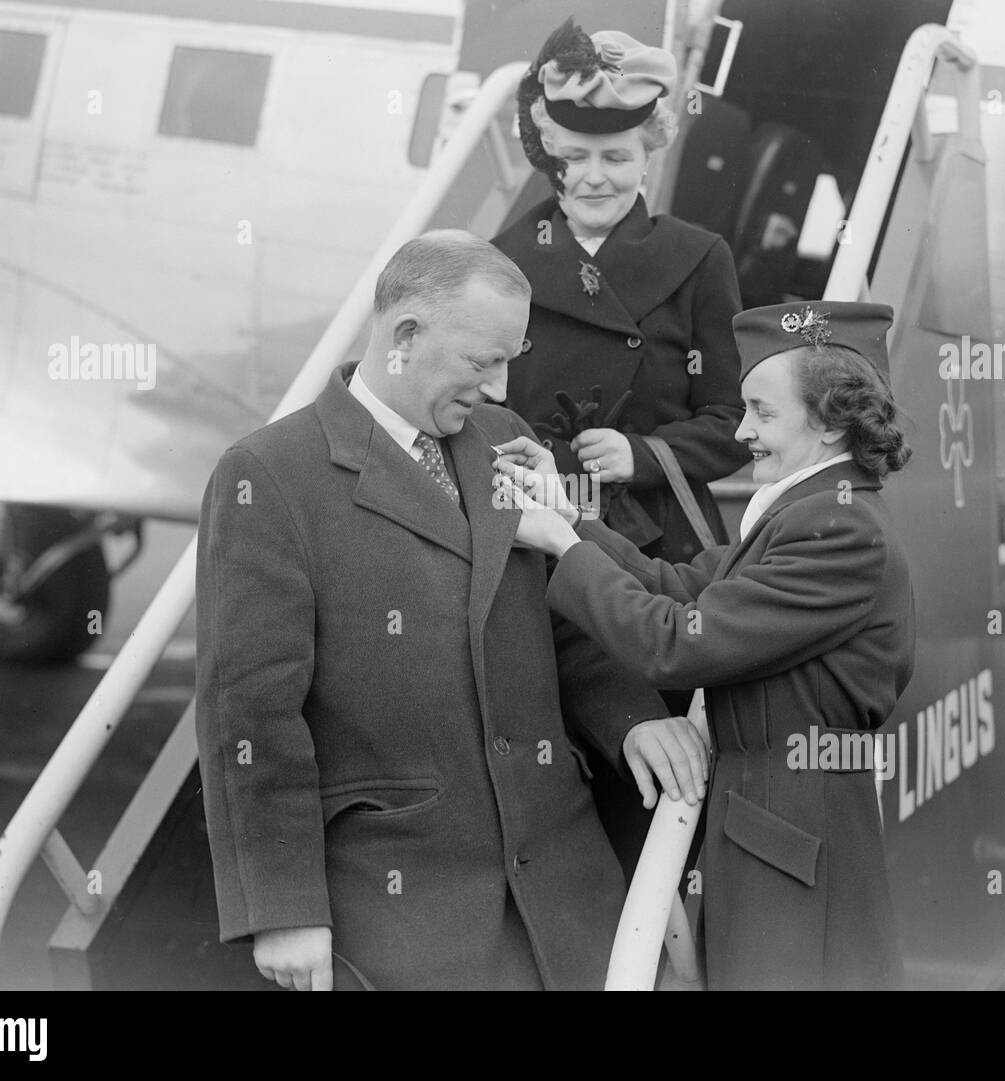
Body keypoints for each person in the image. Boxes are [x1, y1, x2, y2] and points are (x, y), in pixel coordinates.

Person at [193, 230, 709, 991]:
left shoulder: (504, 440)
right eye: (482, 361)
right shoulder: (267, 476)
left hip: (563, 889)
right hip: (405, 907)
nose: (500, 389)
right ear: (405, 337)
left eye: (510, 361)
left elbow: (558, 621)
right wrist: (282, 907)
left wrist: (632, 718)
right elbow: (251, 712)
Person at [497, 300, 916, 990]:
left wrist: (560, 543)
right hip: (774, 825)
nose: (743, 431)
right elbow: (681, 585)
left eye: (763, 412)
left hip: (791, 835)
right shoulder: (813, 509)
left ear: (834, 418)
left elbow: (676, 642)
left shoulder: (837, 530)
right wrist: (570, 511)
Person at [492, 17, 751, 876]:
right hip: (537, 534)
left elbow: (730, 423)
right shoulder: (502, 262)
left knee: (657, 782)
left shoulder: (698, 258)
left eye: (618, 157)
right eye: (574, 157)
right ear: (547, 155)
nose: (595, 176)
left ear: (651, 154)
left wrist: (642, 454)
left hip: (654, 553)